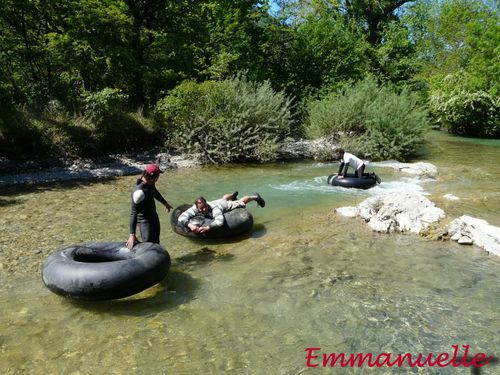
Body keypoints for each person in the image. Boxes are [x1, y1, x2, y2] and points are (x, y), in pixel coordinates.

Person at [126, 163, 173, 249]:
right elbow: (133, 213)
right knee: (148, 245)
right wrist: (132, 234)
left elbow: (154, 192)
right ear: (154, 177)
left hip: (154, 217)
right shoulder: (139, 193)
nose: (158, 178)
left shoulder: (150, 183)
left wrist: (165, 203)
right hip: (144, 221)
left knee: (156, 242)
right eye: (158, 176)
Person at [177, 192, 265, 234]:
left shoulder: (214, 209)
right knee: (223, 199)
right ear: (197, 207)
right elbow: (181, 217)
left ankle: (255, 197)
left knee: (241, 202)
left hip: (224, 206)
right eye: (201, 208)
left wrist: (208, 227)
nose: (204, 210)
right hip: (218, 201)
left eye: (205, 207)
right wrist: (190, 225)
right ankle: (232, 195)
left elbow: (219, 221)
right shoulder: (194, 208)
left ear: (206, 204)